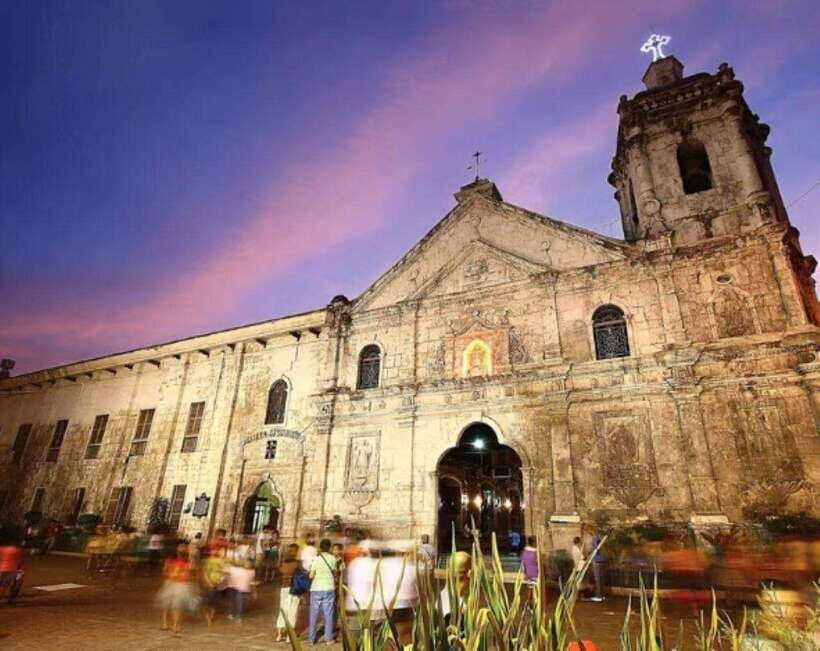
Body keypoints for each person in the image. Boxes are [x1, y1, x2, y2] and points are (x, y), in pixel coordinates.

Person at [156, 543, 196, 634]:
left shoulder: (187, 560)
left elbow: (192, 569)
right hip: (173, 583)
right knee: (166, 604)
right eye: (180, 547)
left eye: (183, 548)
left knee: (176, 606)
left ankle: (174, 625)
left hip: (180, 585)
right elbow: (164, 571)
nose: (182, 549)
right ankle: (166, 624)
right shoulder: (170, 560)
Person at [308, 538, 338, 645]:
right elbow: (335, 572)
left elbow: (311, 575)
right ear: (329, 547)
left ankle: (311, 639)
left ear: (320, 547)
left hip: (316, 588)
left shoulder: (316, 559)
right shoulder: (333, 558)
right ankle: (328, 638)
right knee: (329, 614)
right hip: (329, 587)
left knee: (313, 614)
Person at [276, 543, 303, 642]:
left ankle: (279, 634)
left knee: (283, 610)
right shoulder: (297, 564)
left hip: (284, 588)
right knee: (292, 611)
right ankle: (289, 635)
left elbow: (279, 574)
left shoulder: (283, 563)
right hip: (295, 589)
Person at [201, 546, 227, 626]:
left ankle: (209, 618)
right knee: (212, 602)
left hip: (213, 583)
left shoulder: (209, 561)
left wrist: (209, 582)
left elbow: (205, 573)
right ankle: (210, 617)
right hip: (215, 583)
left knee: (209, 602)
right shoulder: (220, 561)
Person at [225, 559, 256, 623]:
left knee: (237, 602)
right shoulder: (237, 570)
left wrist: (254, 590)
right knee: (235, 601)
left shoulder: (250, 572)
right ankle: (234, 615)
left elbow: (252, 582)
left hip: (238, 589)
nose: (247, 564)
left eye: (248, 563)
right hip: (235, 588)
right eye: (246, 563)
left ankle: (235, 615)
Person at [0, 535, 25, 604]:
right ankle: (10, 599)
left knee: (3, 585)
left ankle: (10, 599)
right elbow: (20, 561)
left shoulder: (2, 549)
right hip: (12, 569)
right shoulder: (18, 550)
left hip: (2, 568)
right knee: (5, 585)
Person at [589, 530, 606, 602]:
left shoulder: (595, 538)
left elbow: (596, 549)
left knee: (597, 579)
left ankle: (598, 596)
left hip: (596, 560)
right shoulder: (601, 537)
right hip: (601, 560)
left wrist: (591, 554)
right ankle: (602, 595)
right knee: (601, 579)